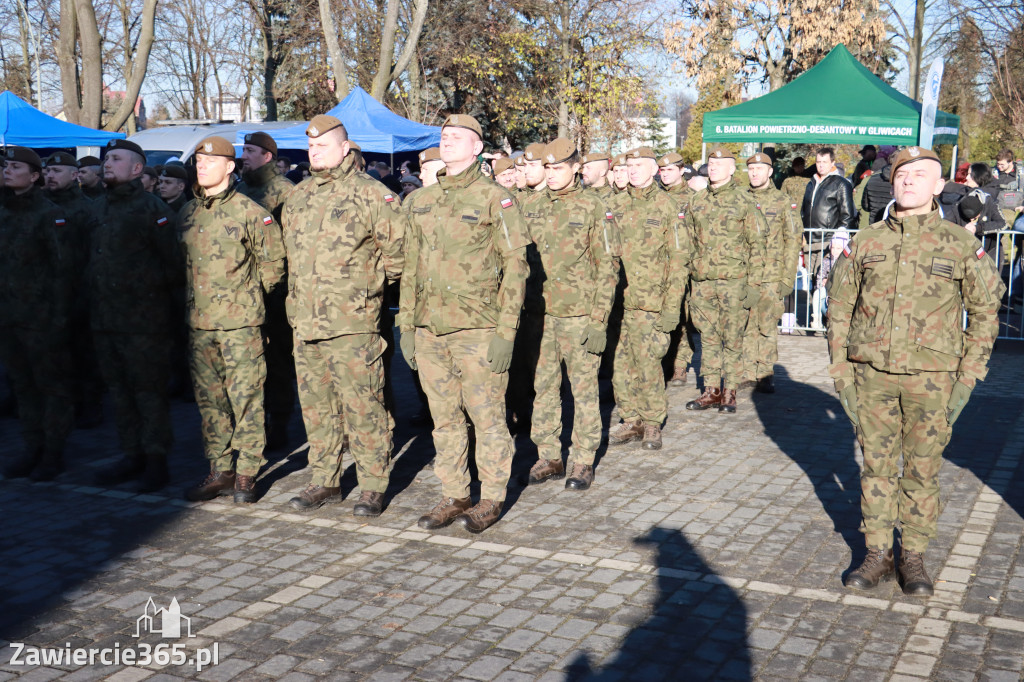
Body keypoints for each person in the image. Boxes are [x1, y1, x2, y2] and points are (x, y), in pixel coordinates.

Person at [828, 146, 1003, 596]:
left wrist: (969, 377)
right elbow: (840, 310)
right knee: (876, 467)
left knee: (923, 470)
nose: (907, 181)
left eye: (919, 174)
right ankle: (878, 553)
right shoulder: (867, 241)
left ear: (939, 185)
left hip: (933, 379)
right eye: (901, 174)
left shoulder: (960, 244)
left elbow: (986, 312)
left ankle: (914, 556)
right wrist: (841, 373)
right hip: (872, 377)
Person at [399, 114, 530, 533]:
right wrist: (406, 324)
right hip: (429, 329)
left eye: (459, 136)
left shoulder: (496, 199)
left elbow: (516, 268)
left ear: (477, 148)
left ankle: (491, 496)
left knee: (487, 416)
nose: (448, 140)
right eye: (444, 136)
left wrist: (506, 332)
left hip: (477, 330)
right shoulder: (421, 200)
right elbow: (411, 268)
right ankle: (454, 493)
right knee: (445, 418)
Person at [282, 114, 405, 517]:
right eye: (310, 147)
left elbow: (399, 259)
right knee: (316, 407)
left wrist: (362, 291)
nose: (314, 152)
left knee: (363, 404)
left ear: (344, 147)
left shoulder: (374, 195)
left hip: (353, 323)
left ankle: (372, 483)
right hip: (306, 322)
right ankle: (326, 479)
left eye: (322, 146)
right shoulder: (299, 197)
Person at [177, 136, 286, 504]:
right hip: (200, 324)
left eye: (210, 161)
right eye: (198, 162)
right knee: (210, 402)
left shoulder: (251, 212)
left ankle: (247, 474)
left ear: (230, 166)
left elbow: (274, 267)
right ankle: (219, 469)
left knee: (247, 400)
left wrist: (247, 299)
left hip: (240, 325)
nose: (201, 166)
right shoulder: (188, 212)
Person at [521, 138, 621, 491]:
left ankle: (582, 459)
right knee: (543, 388)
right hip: (540, 316)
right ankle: (549, 455)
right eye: (546, 168)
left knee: (583, 391)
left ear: (576, 168)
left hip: (579, 316)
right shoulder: (530, 205)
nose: (550, 174)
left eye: (558, 167)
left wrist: (598, 321)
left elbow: (608, 268)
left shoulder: (594, 207)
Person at [91, 139, 182, 492]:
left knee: (148, 394)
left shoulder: (153, 210)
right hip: (105, 321)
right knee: (120, 393)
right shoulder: (97, 208)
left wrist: (162, 314)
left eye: (116, 158)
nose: (107, 163)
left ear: (137, 169)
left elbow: (173, 266)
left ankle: (156, 461)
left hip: (144, 324)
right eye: (106, 158)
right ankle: (132, 455)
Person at [0, 147, 76, 481]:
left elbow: (64, 271)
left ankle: (53, 451)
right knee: (23, 387)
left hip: (42, 319)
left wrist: (59, 319)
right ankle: (32, 447)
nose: (7, 171)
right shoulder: (3, 211)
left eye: (15, 167)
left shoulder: (50, 214)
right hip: (9, 317)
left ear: (34, 176)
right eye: (5, 166)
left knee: (51, 387)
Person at [606, 146, 689, 449]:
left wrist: (672, 308)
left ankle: (653, 422)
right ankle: (631, 418)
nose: (633, 170)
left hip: (651, 304)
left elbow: (680, 261)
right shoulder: (613, 205)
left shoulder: (668, 206)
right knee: (619, 365)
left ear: (654, 170)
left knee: (649, 364)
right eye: (629, 165)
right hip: (618, 304)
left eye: (639, 165)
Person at [684, 146, 766, 414]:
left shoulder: (744, 201)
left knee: (732, 339)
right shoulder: (697, 201)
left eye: (720, 164)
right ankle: (711, 391)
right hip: (703, 282)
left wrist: (753, 286)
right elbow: (688, 242)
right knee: (707, 337)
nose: (714, 167)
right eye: (711, 163)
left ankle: (729, 392)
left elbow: (757, 246)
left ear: (732, 169)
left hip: (733, 283)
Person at [237, 131, 298, 451]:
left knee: (276, 363)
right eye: (243, 149)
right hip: (242, 292)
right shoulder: (240, 188)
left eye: (250, 150)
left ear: (268, 156)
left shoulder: (283, 191)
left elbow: (292, 245)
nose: (243, 155)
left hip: (275, 292)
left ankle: (280, 422)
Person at [42, 152, 104, 428]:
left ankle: (89, 405)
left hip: (79, 295)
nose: (49, 176)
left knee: (83, 356)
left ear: (74, 175)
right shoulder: (40, 208)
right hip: (45, 296)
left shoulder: (87, 209)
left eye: (57, 171)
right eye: (47, 171)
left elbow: (93, 255)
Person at [742, 152, 801, 392]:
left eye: (759, 169)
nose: (755, 173)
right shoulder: (741, 198)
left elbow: (793, 239)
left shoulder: (783, 201)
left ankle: (765, 372)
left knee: (766, 325)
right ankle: (747, 371)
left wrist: (788, 276)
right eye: (751, 169)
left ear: (769, 171)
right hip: (745, 275)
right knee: (746, 324)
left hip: (771, 274)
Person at [658, 151, 696, 388]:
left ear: (682, 171)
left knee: (683, 317)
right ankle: (664, 362)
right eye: (662, 170)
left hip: (686, 264)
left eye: (670, 169)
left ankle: (680, 364)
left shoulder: (693, 198)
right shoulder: (657, 197)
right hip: (662, 266)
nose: (665, 174)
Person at [810, 229, 848, 331]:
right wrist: (821, 283)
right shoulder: (826, 261)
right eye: (833, 247)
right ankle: (816, 320)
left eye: (839, 248)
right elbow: (819, 276)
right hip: (827, 291)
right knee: (817, 294)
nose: (835, 251)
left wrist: (830, 280)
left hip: (841, 293)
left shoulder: (848, 263)